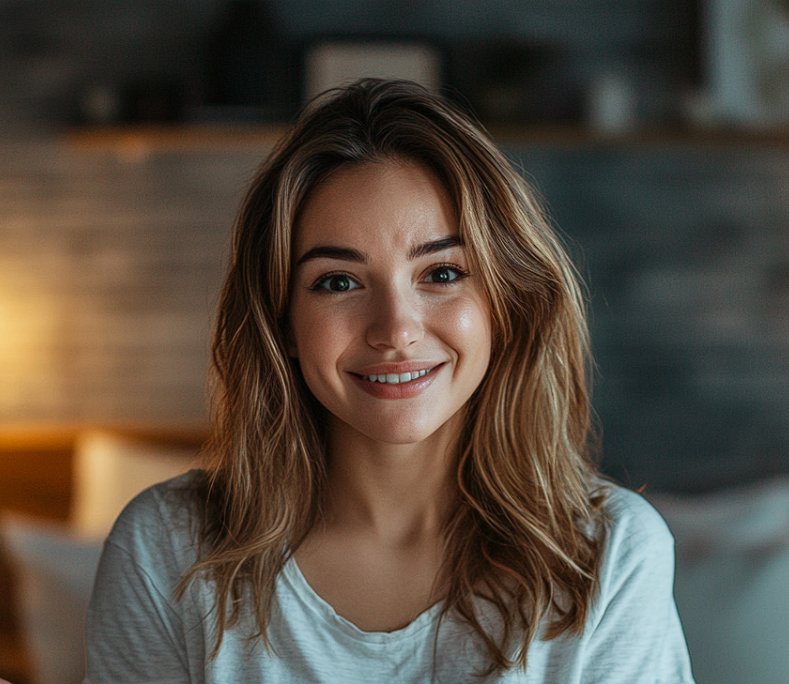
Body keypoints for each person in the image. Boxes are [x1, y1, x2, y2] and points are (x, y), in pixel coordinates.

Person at [84, 79, 695, 683]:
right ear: (283, 324)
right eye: (338, 282)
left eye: (443, 272)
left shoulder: (608, 558)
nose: (396, 329)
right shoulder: (166, 550)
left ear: (505, 303)